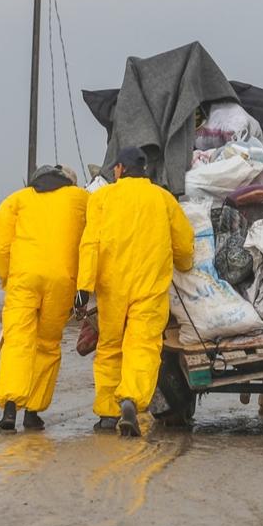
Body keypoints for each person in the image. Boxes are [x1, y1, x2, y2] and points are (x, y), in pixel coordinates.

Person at [76, 147, 194, 437]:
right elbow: (184, 246)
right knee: (142, 346)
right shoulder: (163, 199)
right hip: (150, 288)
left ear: (119, 169)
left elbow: (90, 244)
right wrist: (185, 264)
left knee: (110, 347)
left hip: (111, 287)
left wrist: (84, 287)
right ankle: (130, 400)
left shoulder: (102, 198)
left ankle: (106, 414)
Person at [0, 164, 88, 433]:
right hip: (62, 281)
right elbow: (92, 240)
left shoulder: (16, 200)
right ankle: (32, 412)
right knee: (46, 344)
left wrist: (7, 277)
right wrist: (85, 283)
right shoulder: (80, 199)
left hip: (23, 279)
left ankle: (10, 409)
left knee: (18, 341)